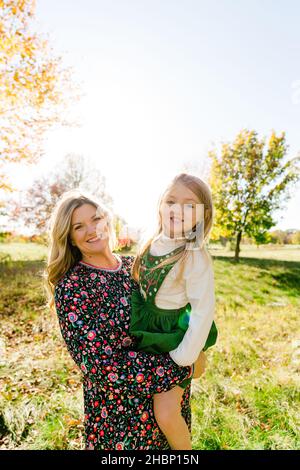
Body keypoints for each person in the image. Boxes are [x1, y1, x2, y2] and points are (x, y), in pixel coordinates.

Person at [46, 190, 206, 450]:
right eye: (79, 226)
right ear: (70, 238)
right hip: (122, 422)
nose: (92, 229)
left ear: (107, 220)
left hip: (168, 407)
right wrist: (181, 366)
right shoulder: (73, 287)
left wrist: (197, 345)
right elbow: (101, 365)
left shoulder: (138, 266)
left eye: (96, 219)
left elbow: (177, 311)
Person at [130, 173, 218, 450]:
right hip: (149, 331)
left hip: (174, 337)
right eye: (171, 200)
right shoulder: (151, 240)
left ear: (202, 215)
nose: (178, 209)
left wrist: (185, 357)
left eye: (190, 205)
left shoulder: (193, 254)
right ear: (160, 205)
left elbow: (203, 310)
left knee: (166, 413)